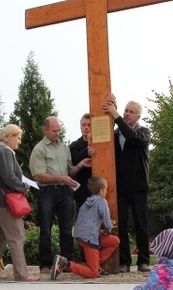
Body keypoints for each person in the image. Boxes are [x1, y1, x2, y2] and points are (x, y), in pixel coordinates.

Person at [29, 116, 85, 275]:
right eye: (54, 131)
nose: (57, 133)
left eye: (59, 130)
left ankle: (66, 263)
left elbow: (69, 171)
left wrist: (80, 165)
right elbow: (38, 176)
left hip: (65, 191)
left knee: (67, 230)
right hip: (47, 192)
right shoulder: (39, 149)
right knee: (45, 229)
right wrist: (61, 178)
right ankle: (45, 265)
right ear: (45, 130)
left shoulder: (64, 148)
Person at [0, 124, 39, 282]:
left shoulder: (0, 152)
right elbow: (9, 177)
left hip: (1, 201)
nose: (20, 142)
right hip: (6, 201)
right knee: (17, 236)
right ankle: (21, 274)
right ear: (10, 137)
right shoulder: (5, 153)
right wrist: (23, 186)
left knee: (0, 237)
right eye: (18, 138)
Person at [103, 95, 151, 273]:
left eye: (132, 112)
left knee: (141, 224)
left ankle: (143, 261)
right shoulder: (114, 135)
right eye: (126, 111)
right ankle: (124, 262)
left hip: (138, 186)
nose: (127, 114)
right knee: (121, 224)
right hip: (120, 187)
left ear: (138, 116)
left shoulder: (143, 132)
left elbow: (132, 137)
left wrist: (116, 116)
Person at [52, 175, 119, 280]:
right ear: (101, 191)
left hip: (81, 235)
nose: (106, 192)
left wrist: (99, 231)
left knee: (114, 241)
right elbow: (107, 222)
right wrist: (108, 230)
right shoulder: (102, 202)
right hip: (90, 238)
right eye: (106, 190)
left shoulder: (86, 203)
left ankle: (96, 264)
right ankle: (66, 263)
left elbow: (85, 221)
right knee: (93, 273)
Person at [69, 113, 94, 211]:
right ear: (80, 127)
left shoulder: (102, 143)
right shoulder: (74, 145)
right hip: (82, 189)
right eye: (84, 125)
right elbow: (73, 161)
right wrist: (88, 147)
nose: (86, 127)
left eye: (89, 125)